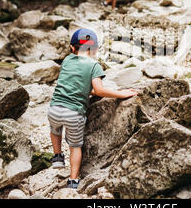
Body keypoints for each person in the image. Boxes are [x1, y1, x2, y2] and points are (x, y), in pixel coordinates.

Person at [48, 28, 137, 189]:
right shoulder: (94, 65)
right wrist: (120, 94)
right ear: (95, 48)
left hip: (54, 108)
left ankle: (57, 157)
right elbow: (100, 90)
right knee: (75, 146)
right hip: (73, 113)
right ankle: (73, 180)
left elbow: (74, 84)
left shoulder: (67, 60)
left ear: (71, 48)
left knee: (55, 131)